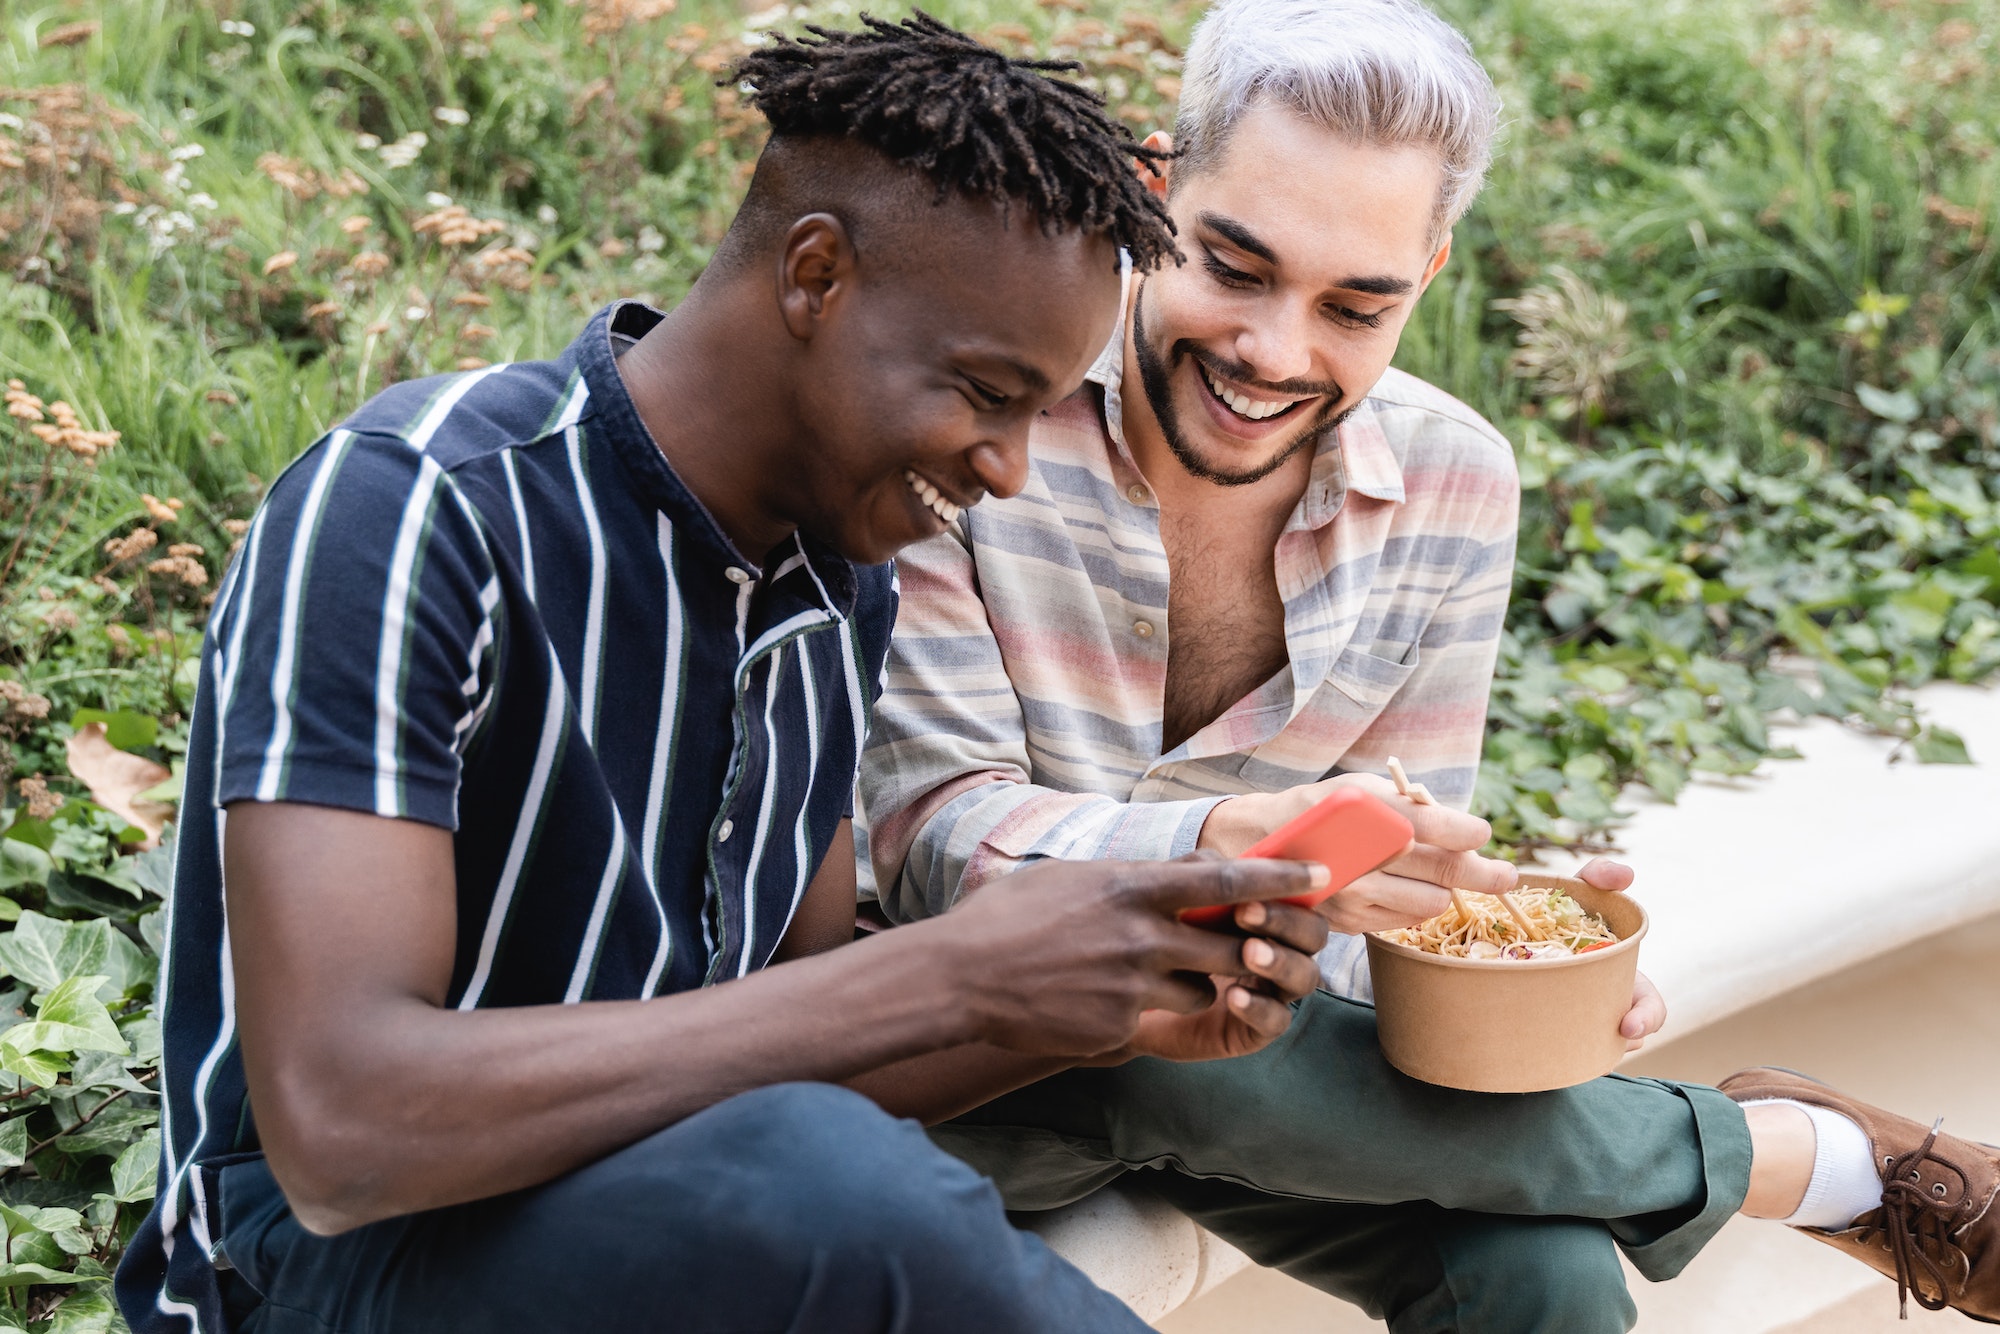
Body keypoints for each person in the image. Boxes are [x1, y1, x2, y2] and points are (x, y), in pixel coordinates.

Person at [113, 19, 1356, 1334]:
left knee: (827, 1165)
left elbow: (799, 1051)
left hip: (637, 1225)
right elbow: (340, 1127)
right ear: (815, 273)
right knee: (838, 1189)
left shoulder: (836, 588)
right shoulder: (417, 509)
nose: (1006, 467)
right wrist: (951, 972)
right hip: (317, 1274)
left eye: (1036, 412)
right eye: (987, 392)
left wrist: (1088, 1006)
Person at [857, 0, 2000, 1327]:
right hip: (954, 1060)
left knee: (1545, 1275)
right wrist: (1237, 845)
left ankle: (1777, 1156)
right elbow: (934, 846)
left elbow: (1360, 916)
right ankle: (1805, 1159)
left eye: (1357, 304)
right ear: (1156, 191)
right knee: (1130, 1009)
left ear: (1430, 273)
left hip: (1243, 1068)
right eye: (1234, 266)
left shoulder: (1453, 482)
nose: (1276, 351)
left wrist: (1495, 952)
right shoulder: (980, 417)